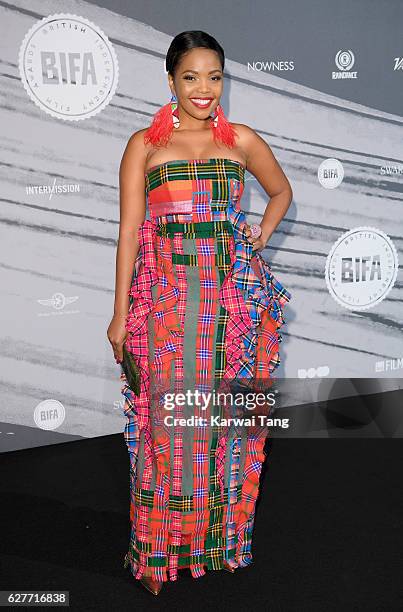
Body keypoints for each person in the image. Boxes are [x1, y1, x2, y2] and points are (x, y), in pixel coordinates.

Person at [107, 30, 292, 595]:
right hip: (166, 307)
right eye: (191, 76)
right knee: (167, 432)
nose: (204, 89)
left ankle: (218, 545)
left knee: (224, 433)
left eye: (214, 76)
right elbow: (131, 233)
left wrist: (257, 235)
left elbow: (281, 192)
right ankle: (159, 552)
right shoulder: (144, 144)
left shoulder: (240, 140)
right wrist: (120, 315)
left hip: (230, 309)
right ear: (171, 81)